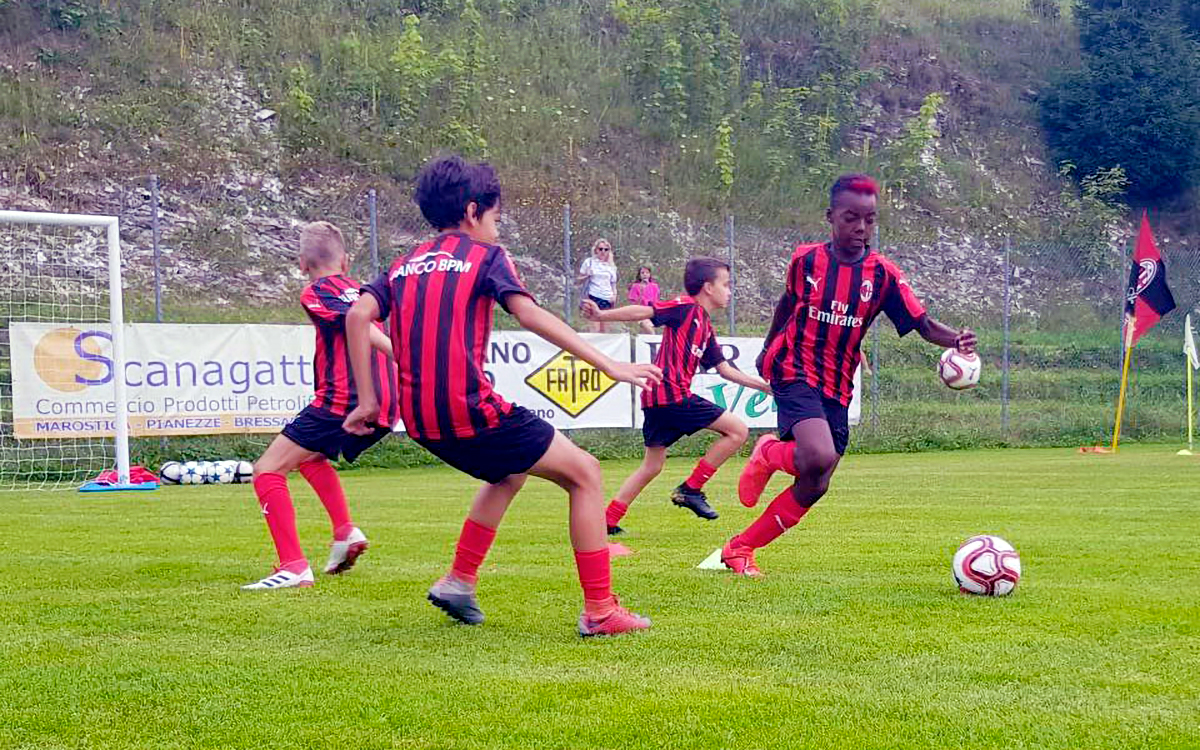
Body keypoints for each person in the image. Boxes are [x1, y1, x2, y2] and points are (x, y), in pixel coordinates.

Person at [342, 155, 663, 637]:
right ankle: (600, 611)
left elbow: (355, 316)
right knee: (586, 473)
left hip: (421, 419)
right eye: (495, 216)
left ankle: (459, 581)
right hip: (470, 408)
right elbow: (530, 315)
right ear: (473, 211)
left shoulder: (403, 265)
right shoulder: (486, 257)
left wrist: (368, 401)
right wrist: (609, 364)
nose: (497, 226)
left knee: (508, 474)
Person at [723, 174, 978, 577]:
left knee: (817, 482)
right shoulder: (806, 261)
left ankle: (741, 547)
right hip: (794, 366)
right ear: (831, 217)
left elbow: (923, 323)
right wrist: (767, 348)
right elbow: (786, 304)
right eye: (851, 218)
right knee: (818, 455)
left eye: (869, 220)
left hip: (839, 382)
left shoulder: (883, 275)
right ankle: (769, 453)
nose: (861, 227)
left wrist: (956, 339)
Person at [241, 221, 399, 590]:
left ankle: (293, 567)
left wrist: (400, 354)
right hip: (389, 402)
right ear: (346, 261)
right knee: (311, 458)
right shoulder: (362, 291)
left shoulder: (316, 292)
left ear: (302, 264)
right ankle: (345, 531)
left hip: (346, 400)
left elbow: (357, 325)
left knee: (267, 470)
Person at [582, 257, 769, 535]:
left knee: (652, 466)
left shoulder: (705, 325)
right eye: (726, 284)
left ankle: (607, 520)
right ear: (708, 287)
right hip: (670, 394)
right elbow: (644, 311)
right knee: (737, 431)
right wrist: (601, 316)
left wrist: (765, 387)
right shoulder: (685, 307)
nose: (730, 291)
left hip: (656, 397)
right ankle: (691, 489)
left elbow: (725, 370)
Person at [577, 239, 619, 332]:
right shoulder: (589, 262)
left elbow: (613, 284)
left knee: (605, 329)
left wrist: (614, 296)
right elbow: (578, 280)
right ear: (596, 250)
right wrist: (587, 275)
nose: (603, 252)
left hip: (607, 298)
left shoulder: (611, 266)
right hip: (593, 296)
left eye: (606, 249)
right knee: (594, 328)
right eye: (600, 249)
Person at [627, 265, 660, 334]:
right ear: (639, 275)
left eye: (647, 273)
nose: (645, 274)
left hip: (651, 312)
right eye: (642, 273)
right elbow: (634, 304)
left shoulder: (654, 286)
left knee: (649, 329)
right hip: (640, 313)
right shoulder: (635, 286)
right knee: (648, 328)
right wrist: (641, 292)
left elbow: (656, 301)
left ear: (650, 274)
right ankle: (653, 338)